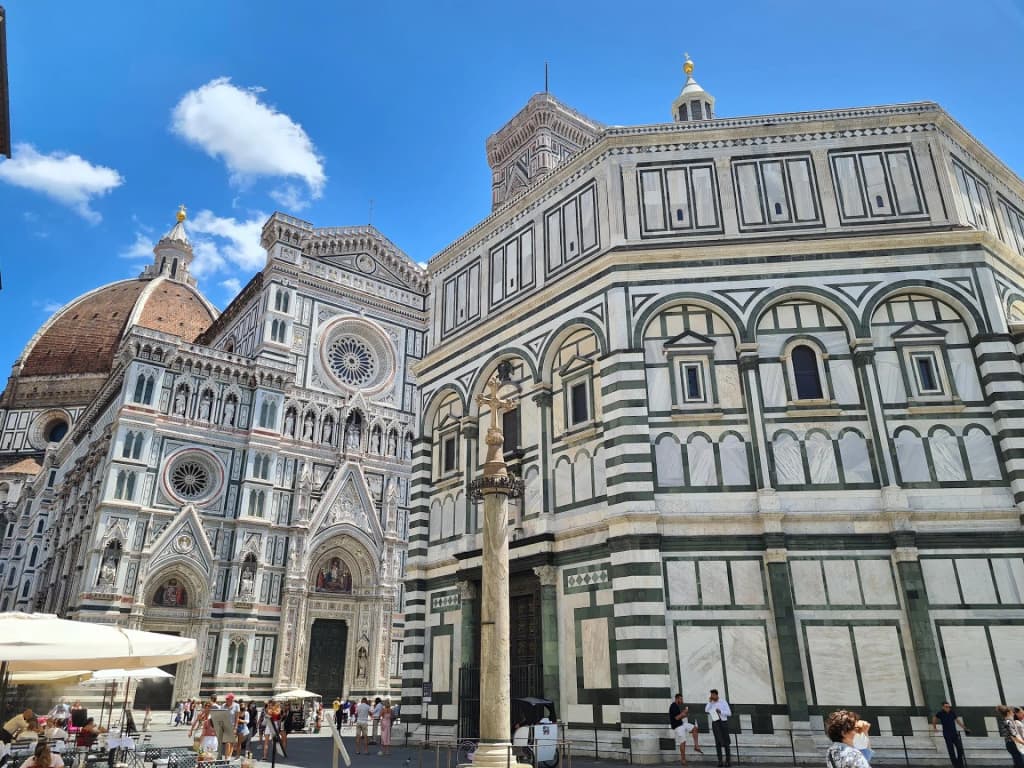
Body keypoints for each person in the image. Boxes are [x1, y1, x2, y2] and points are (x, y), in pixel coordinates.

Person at [932, 701, 968, 768]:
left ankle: (959, 763)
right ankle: (956, 765)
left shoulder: (952, 712)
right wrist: (934, 727)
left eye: (949, 707)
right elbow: (934, 718)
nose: (948, 708)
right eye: (946, 707)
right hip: (947, 734)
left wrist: (964, 728)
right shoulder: (940, 713)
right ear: (943, 707)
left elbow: (957, 721)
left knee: (960, 748)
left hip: (954, 733)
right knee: (951, 750)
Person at [668, 694, 703, 764]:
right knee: (683, 742)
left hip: (681, 724)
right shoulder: (673, 706)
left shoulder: (676, 706)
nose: (682, 701)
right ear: (677, 699)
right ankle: (683, 759)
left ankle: (696, 746)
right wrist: (684, 712)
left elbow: (679, 717)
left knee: (695, 728)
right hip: (678, 727)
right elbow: (677, 718)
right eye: (681, 699)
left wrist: (684, 714)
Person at [705, 689, 732, 768]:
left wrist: (720, 711)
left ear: (717, 695)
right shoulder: (711, 703)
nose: (712, 696)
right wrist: (710, 702)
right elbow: (706, 710)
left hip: (723, 723)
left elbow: (729, 713)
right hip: (715, 723)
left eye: (713, 695)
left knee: (726, 742)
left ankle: (728, 761)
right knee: (718, 743)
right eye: (711, 695)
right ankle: (720, 761)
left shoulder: (723, 702)